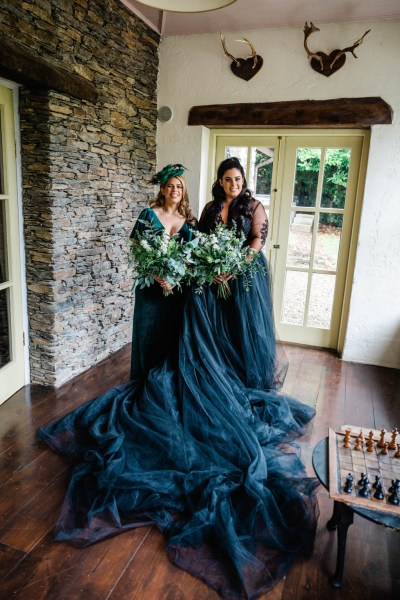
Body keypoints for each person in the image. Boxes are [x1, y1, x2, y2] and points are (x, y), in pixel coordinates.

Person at [38, 158, 319, 600]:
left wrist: (212, 270)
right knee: (163, 349)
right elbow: (162, 251)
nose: (231, 183)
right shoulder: (187, 214)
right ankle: (150, 389)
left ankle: (202, 383)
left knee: (208, 347)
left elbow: (245, 245)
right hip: (165, 290)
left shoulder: (230, 211)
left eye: (237, 178)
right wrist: (165, 274)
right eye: (170, 185)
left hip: (219, 285)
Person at [129, 164, 197, 379]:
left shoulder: (190, 222)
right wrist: (157, 274)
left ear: (183, 191)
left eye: (179, 186)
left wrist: (175, 279)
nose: (174, 190)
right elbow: (137, 250)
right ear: (162, 189)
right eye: (170, 186)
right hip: (150, 286)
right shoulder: (148, 214)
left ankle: (168, 381)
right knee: (148, 332)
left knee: (172, 333)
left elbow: (192, 258)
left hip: (177, 288)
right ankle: (143, 380)